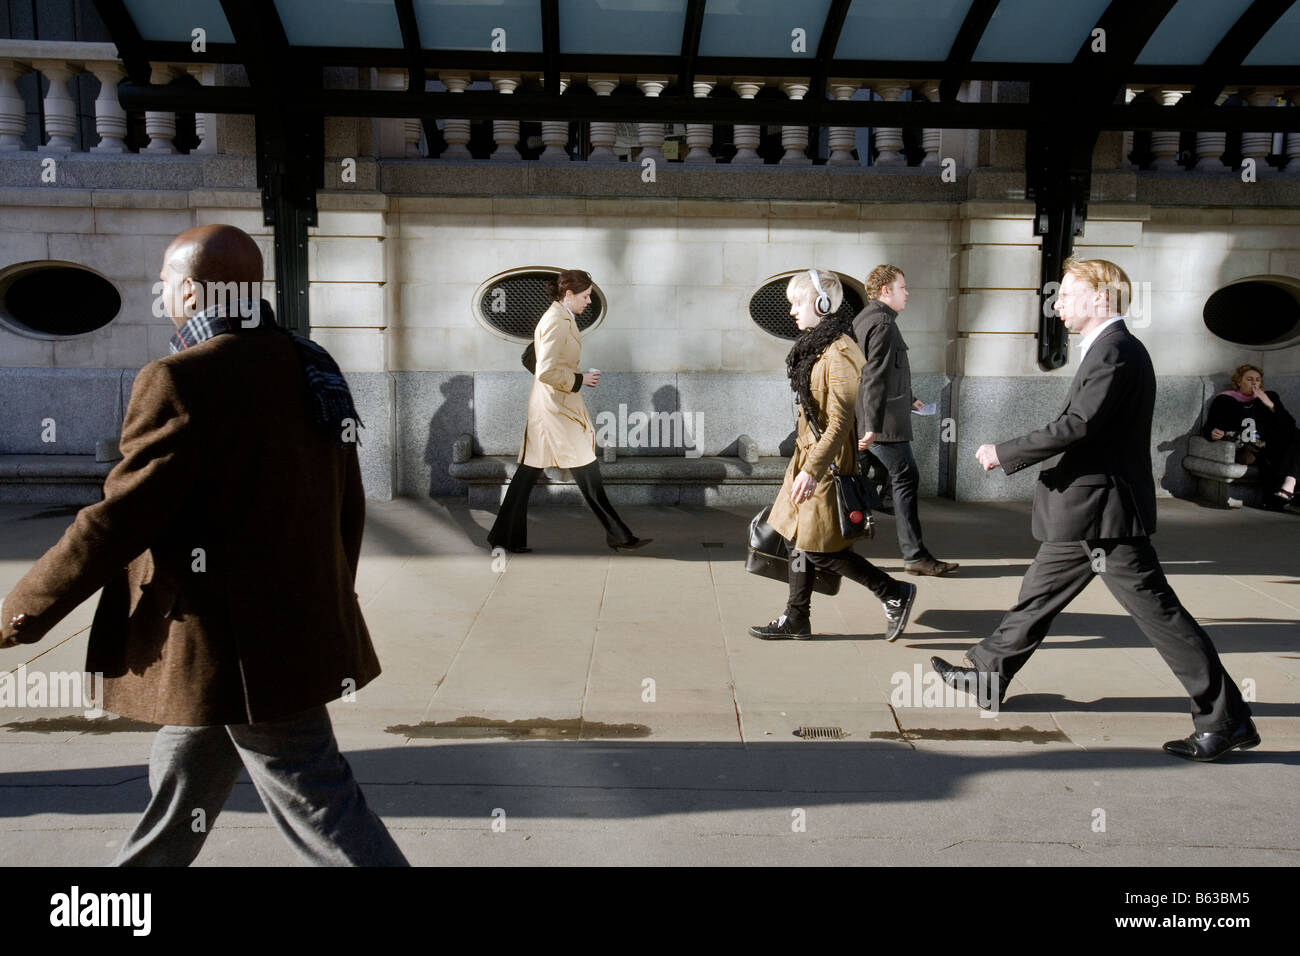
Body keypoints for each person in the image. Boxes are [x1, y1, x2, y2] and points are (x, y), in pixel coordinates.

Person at [0, 224, 408, 864]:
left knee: (316, 796)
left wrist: (23, 609)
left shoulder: (180, 378)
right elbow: (346, 501)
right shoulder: (311, 363)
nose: (161, 292)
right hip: (274, 632)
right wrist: (331, 593)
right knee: (186, 763)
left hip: (237, 642)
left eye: (165, 280)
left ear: (190, 291)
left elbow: (119, 518)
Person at [932, 257, 1257, 762]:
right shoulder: (1109, 348)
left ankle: (1226, 718)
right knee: (1038, 594)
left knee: (1161, 615)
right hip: (1087, 509)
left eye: (1066, 293)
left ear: (1100, 297)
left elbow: (1079, 425)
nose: (1056, 303)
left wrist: (1005, 451)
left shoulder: (1116, 351)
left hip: (1104, 512)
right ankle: (987, 675)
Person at [749, 270, 917, 641]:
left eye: (798, 302)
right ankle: (796, 618)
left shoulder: (839, 351)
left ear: (822, 304)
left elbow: (840, 424)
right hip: (807, 460)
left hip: (825, 465)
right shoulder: (816, 346)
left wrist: (812, 470)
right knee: (797, 538)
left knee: (821, 548)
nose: (792, 311)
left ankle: (894, 591)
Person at [487, 269, 650, 553]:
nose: (589, 301)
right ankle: (619, 535)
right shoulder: (557, 321)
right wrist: (580, 379)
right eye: (585, 296)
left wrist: (576, 377)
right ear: (569, 294)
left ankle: (504, 536)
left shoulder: (561, 317)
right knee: (587, 467)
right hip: (556, 409)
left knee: (528, 473)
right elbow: (546, 370)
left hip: (552, 406)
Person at [854, 264, 958, 576]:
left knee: (879, 481)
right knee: (905, 479)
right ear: (886, 290)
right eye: (902, 287)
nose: (907, 293)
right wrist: (870, 425)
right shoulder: (883, 324)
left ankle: (832, 546)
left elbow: (885, 373)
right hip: (884, 426)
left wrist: (908, 397)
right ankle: (915, 556)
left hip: (881, 419)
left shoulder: (867, 318)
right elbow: (871, 377)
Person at [1202, 364, 1299, 509]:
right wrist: (1213, 432)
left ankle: (1286, 488)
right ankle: (1286, 491)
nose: (1254, 383)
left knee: (1296, 435)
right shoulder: (1225, 400)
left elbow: (1289, 425)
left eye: (1258, 380)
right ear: (1239, 381)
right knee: (1276, 453)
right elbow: (1210, 426)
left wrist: (1270, 405)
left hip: (1269, 446)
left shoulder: (1269, 397)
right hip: (1245, 447)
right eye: (1249, 379)